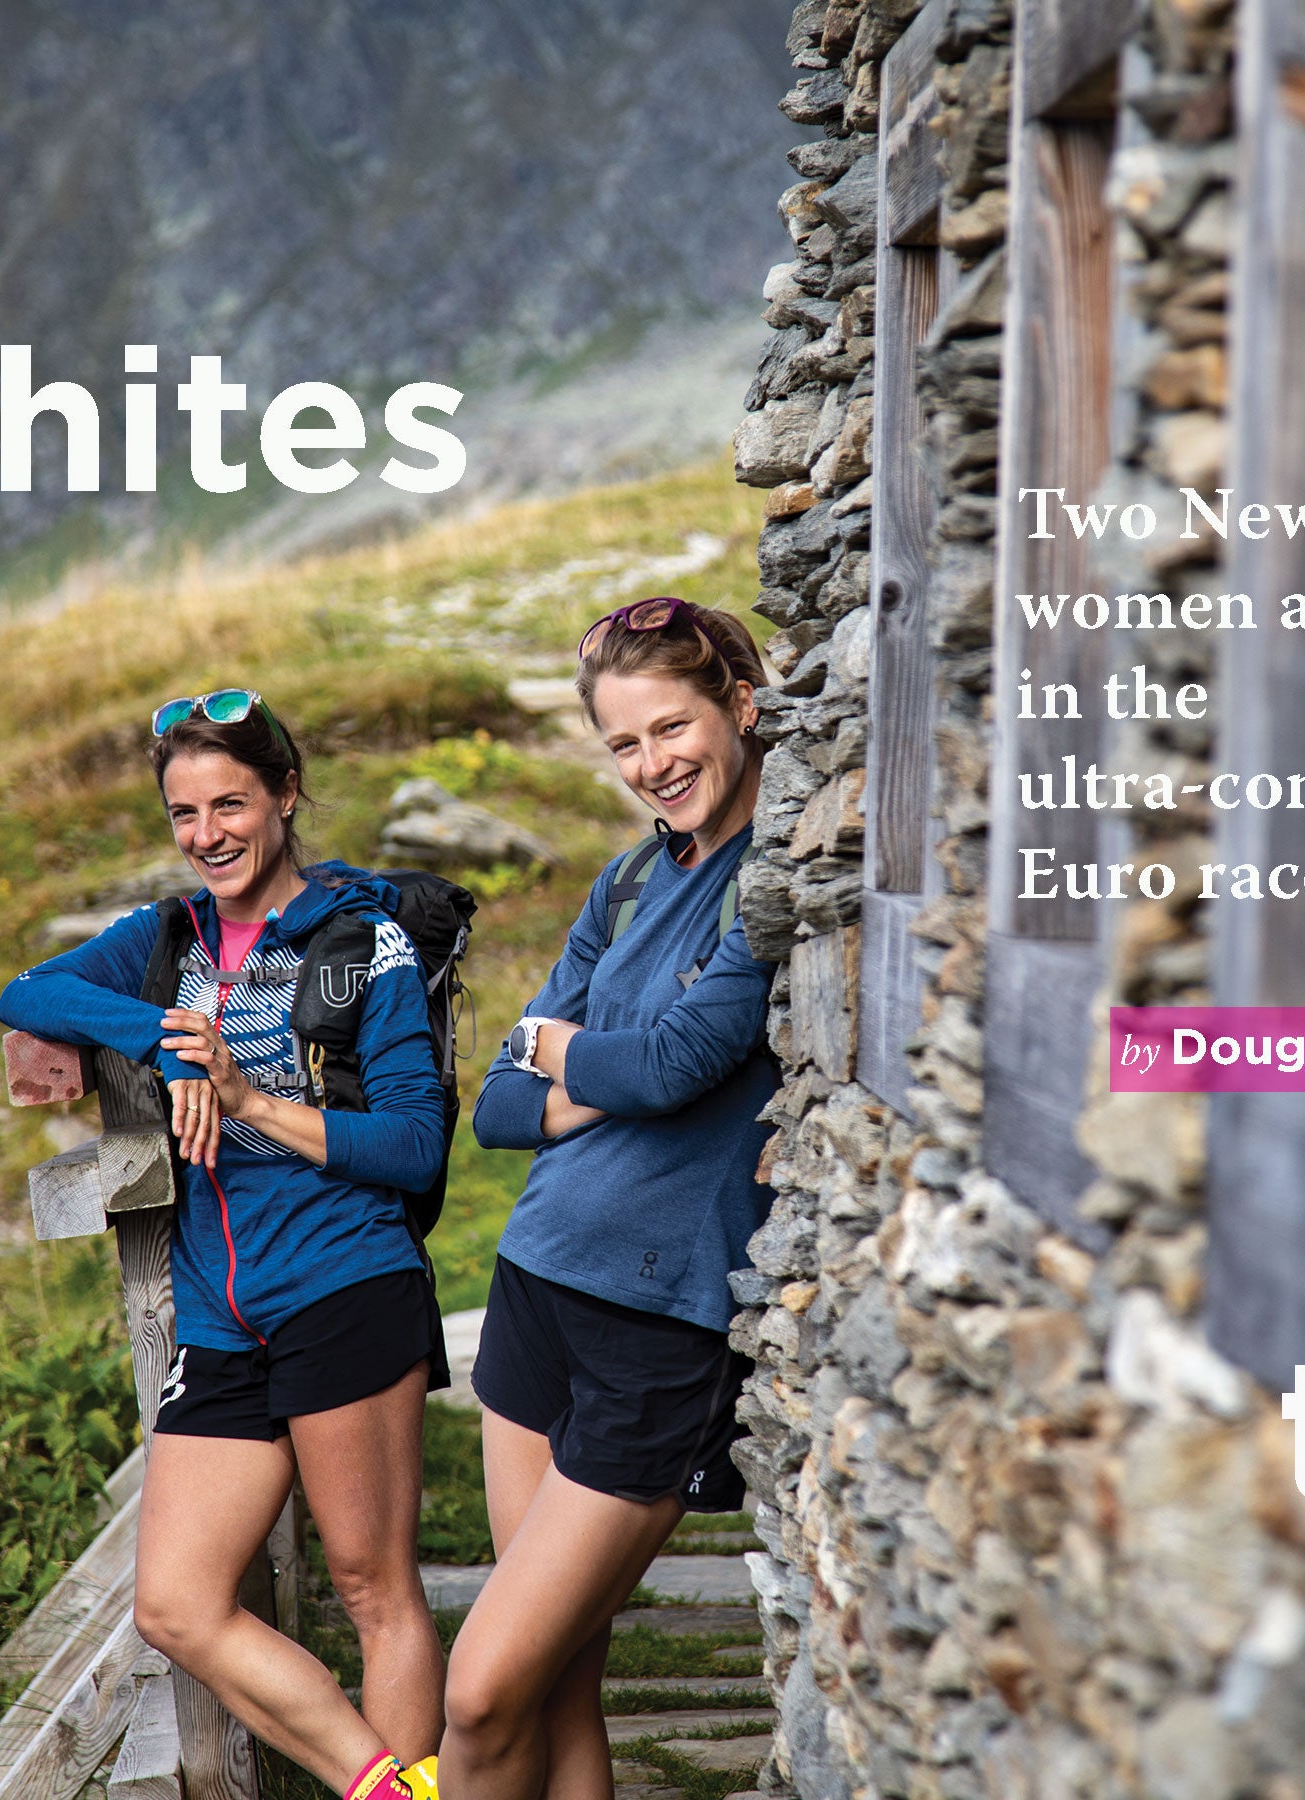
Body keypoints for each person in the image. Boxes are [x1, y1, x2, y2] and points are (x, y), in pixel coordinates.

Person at [0, 690, 445, 1800]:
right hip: (216, 1311)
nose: (208, 835)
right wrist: (169, 1042)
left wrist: (242, 1095)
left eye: (231, 804)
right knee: (178, 1604)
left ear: (285, 796)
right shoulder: (163, 938)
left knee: (371, 1584)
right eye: (184, 813)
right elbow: (29, 988)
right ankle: (386, 1789)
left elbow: (411, 1144)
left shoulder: (363, 946)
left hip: (345, 1279)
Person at [444, 598, 779, 1800]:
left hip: (659, 1317)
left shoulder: (774, 878)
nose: (653, 764)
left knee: (478, 1693)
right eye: (624, 745)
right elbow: (487, 1109)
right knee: (553, 1678)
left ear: (740, 707)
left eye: (672, 727)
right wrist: (601, 1068)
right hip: (535, 1281)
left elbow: (681, 1064)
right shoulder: (631, 878)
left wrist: (560, 1052)